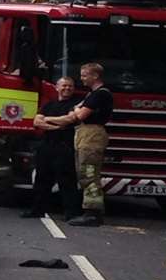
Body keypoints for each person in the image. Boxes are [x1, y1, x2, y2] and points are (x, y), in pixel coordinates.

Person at [42, 62, 113, 226]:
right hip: (85, 134)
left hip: (91, 135)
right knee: (84, 172)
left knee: (89, 173)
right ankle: (90, 211)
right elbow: (76, 110)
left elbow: (79, 115)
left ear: (95, 76)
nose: (82, 78)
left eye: (84, 75)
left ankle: (93, 213)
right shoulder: (92, 94)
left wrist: (49, 118)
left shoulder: (99, 95)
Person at [22, 77, 81, 220]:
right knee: (41, 179)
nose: (67, 88)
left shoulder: (76, 104)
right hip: (46, 145)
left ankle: (70, 212)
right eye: (64, 86)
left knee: (67, 181)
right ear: (56, 87)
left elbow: (70, 119)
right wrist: (56, 126)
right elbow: (37, 121)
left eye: (70, 86)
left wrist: (47, 120)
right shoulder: (49, 104)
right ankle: (37, 210)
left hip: (65, 146)